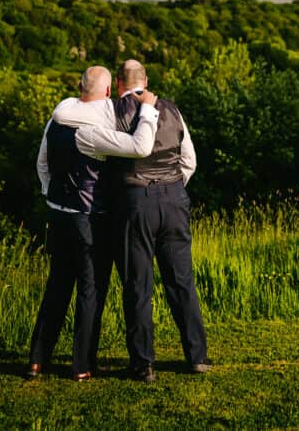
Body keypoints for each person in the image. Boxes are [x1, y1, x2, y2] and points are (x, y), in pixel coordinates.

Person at [27, 65, 160, 381]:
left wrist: (53, 197)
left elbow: (42, 164)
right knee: (90, 290)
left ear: (78, 86)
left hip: (58, 213)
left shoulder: (56, 119)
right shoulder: (91, 131)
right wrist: (149, 112)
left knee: (57, 285)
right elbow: (140, 146)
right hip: (89, 218)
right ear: (108, 92)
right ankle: (82, 365)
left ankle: (36, 360)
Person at [112, 59, 209, 381]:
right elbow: (189, 159)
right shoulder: (172, 109)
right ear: (146, 79)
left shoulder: (113, 111)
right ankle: (197, 356)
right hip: (174, 198)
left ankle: (144, 364)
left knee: (139, 285)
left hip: (135, 201)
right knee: (182, 281)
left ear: (118, 82)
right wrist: (172, 187)